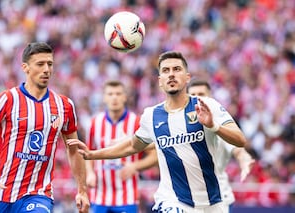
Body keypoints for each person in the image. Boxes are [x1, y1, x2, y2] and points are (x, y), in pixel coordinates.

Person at [67, 51, 247, 213]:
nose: (171, 74)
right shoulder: (151, 115)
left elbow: (240, 140)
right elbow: (132, 146)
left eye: (176, 69)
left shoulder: (207, 106)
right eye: (166, 70)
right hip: (173, 201)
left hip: (212, 202)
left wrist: (213, 125)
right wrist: (92, 154)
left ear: (187, 77)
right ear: (160, 80)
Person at [0, 42, 90, 213]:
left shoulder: (64, 105)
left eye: (50, 64)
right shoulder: (8, 100)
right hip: (1, 192)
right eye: (40, 64)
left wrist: (82, 190)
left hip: (39, 193)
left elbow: (74, 150)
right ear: (25, 67)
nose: (46, 69)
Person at [85, 80, 157, 213]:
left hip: (127, 195)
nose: (114, 97)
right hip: (99, 195)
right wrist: (89, 173)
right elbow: (88, 153)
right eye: (110, 94)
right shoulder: (95, 123)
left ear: (125, 97)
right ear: (104, 97)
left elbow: (155, 155)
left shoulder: (136, 122)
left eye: (118, 93)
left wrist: (135, 166)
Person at [187, 79, 255, 212]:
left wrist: (244, 160)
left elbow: (238, 150)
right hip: (190, 198)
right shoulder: (180, 126)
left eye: (201, 94)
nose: (197, 98)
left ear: (210, 97)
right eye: (193, 95)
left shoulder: (216, 125)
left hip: (218, 197)